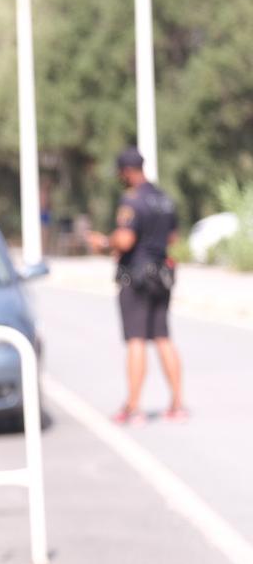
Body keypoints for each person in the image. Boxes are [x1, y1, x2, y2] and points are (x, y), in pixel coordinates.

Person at [88, 146, 187, 425]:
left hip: (137, 277)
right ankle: (177, 404)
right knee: (163, 338)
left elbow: (125, 240)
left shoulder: (132, 201)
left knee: (136, 340)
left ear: (126, 172)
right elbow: (173, 237)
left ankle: (133, 408)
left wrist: (103, 243)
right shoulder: (164, 199)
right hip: (162, 277)